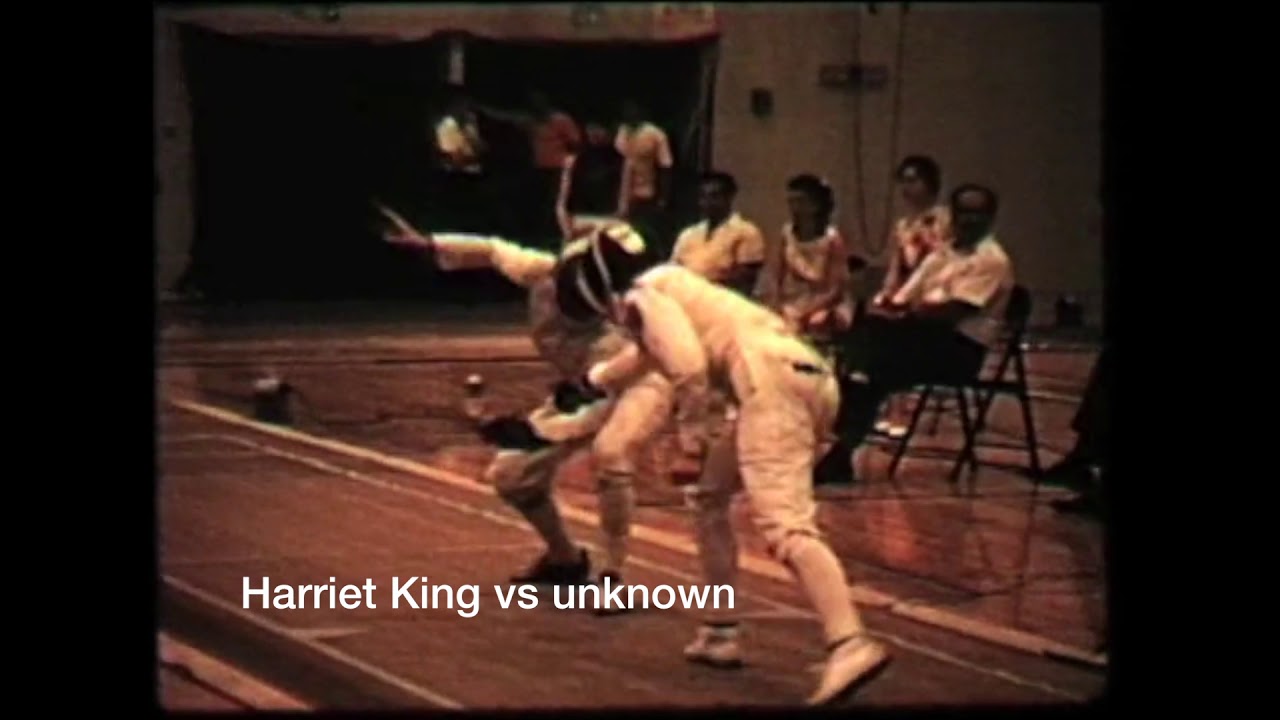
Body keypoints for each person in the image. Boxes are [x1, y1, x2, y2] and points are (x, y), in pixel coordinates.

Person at [551, 231, 891, 705]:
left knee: (784, 524)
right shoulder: (669, 287)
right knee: (711, 499)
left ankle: (849, 641)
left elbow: (687, 366)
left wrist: (692, 441)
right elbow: (649, 354)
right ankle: (720, 629)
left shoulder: (643, 296)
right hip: (803, 376)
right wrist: (591, 383)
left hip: (768, 383)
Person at [379, 207, 671, 599]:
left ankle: (611, 575)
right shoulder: (544, 273)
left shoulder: (610, 342)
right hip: (581, 389)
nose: (568, 297)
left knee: (611, 456)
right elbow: (493, 250)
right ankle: (565, 559)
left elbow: (596, 407)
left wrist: (533, 430)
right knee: (512, 476)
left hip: (635, 388)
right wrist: (430, 243)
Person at [815, 183, 1015, 487]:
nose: (969, 219)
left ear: (991, 216)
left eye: (978, 212)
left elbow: (953, 311)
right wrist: (892, 306)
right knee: (868, 363)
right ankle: (840, 448)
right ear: (953, 213)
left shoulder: (991, 260)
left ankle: (838, 438)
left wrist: (904, 313)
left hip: (959, 349)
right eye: (963, 211)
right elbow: (905, 295)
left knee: (869, 357)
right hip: (922, 336)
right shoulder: (942, 254)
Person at [872, 156, 954, 437]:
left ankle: (900, 410)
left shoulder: (945, 220)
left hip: (935, 293)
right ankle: (885, 403)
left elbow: (943, 261)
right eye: (903, 182)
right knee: (879, 327)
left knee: (901, 337)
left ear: (930, 183)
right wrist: (887, 291)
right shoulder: (903, 225)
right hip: (908, 292)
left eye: (913, 181)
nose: (907, 188)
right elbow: (897, 264)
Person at [755, 175, 853, 341]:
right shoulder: (786, 234)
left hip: (823, 301)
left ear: (815, 205)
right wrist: (778, 305)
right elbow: (776, 275)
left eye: (800, 201)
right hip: (790, 300)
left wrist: (805, 310)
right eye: (791, 202)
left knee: (817, 321)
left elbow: (835, 289)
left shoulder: (832, 239)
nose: (795, 208)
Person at [670, 171, 767, 297]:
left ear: (729, 197)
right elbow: (674, 270)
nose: (707, 202)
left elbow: (745, 282)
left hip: (724, 303)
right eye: (703, 197)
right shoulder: (688, 234)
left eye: (714, 197)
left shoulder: (746, 232)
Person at [555, 121, 627, 242]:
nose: (594, 132)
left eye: (600, 128)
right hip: (579, 222)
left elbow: (624, 200)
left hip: (610, 222)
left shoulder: (622, 162)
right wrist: (566, 228)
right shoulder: (574, 161)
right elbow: (562, 200)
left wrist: (615, 224)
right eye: (591, 128)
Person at [615, 99, 674, 250]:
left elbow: (665, 167)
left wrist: (663, 198)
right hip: (622, 194)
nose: (629, 114)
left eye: (632, 110)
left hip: (645, 193)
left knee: (643, 235)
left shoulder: (655, 134)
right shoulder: (621, 131)